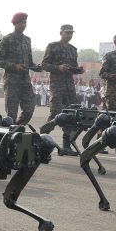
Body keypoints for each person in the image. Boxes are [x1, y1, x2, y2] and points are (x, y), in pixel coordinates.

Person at [41, 24, 81, 155]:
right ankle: (41, 139)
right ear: (61, 33)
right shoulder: (53, 46)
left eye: (71, 33)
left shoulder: (73, 49)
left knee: (70, 114)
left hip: (69, 86)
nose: (69, 35)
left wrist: (78, 70)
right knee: (56, 113)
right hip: (57, 84)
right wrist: (58, 68)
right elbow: (44, 65)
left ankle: (66, 146)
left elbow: (73, 67)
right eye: (67, 33)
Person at [0, 12, 39, 125]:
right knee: (11, 114)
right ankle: (10, 136)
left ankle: (17, 128)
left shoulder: (27, 40)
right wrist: (14, 66)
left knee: (29, 109)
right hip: (12, 81)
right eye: (21, 22)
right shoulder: (7, 39)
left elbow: (29, 61)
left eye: (25, 22)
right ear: (15, 23)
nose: (23, 25)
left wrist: (36, 67)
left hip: (25, 81)